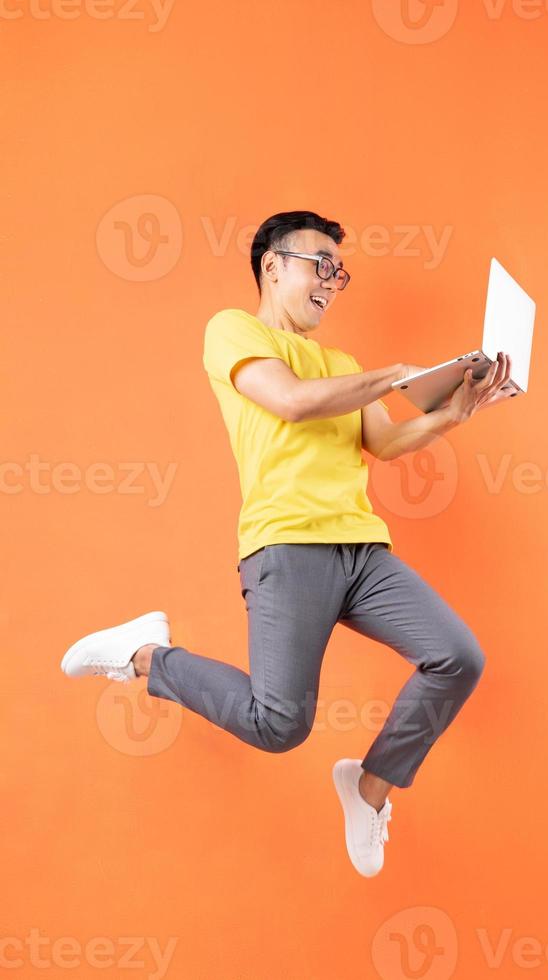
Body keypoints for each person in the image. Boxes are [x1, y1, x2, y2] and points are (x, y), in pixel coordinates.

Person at [60, 210, 512, 878]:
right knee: (279, 725)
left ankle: (369, 786)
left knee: (457, 657)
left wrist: (454, 411)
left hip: (360, 551)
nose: (332, 280)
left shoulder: (342, 363)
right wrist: (394, 375)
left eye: (340, 271)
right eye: (319, 264)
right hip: (287, 546)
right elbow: (292, 401)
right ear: (273, 265)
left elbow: (384, 442)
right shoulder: (232, 331)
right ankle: (145, 655)